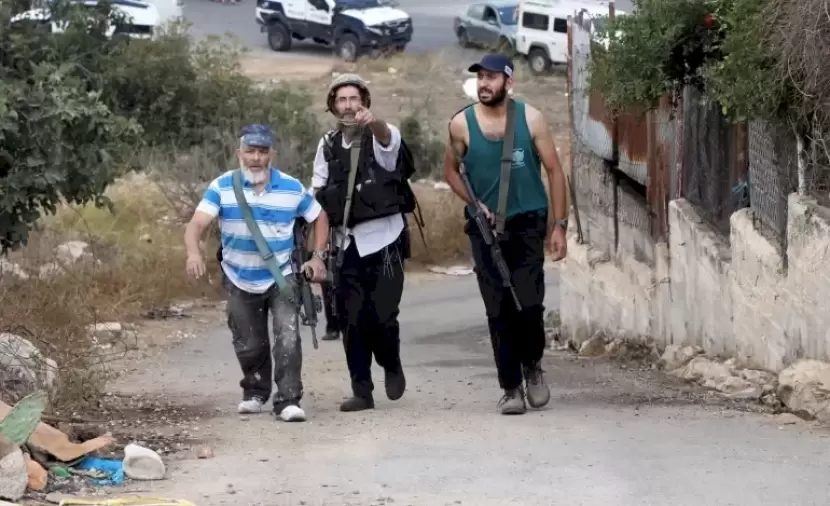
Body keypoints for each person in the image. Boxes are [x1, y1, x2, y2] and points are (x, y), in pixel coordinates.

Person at [442, 54, 568, 416]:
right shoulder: (461, 125)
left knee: (529, 305)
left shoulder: (531, 119)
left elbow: (555, 171)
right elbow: (450, 171)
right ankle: (510, 388)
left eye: (492, 77)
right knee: (498, 309)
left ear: (508, 82)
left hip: (527, 223)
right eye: (481, 77)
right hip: (485, 229)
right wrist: (474, 203)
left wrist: (559, 226)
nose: (484, 83)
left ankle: (533, 365)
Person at [184, 124, 330, 422]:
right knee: (248, 341)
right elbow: (196, 224)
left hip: (282, 275)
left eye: (262, 152)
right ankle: (254, 392)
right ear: (239, 153)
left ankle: (288, 399)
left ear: (271, 154)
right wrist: (193, 252)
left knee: (287, 336)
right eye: (250, 151)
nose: (256, 158)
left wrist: (317, 257)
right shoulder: (222, 186)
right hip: (238, 276)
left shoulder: (291, 187)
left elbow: (319, 216)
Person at [311, 74, 410, 412]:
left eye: (354, 98)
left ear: (364, 102)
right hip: (346, 244)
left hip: (386, 241)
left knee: (383, 316)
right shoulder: (327, 145)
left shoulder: (382, 134)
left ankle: (391, 363)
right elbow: (318, 195)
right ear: (333, 106)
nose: (349, 106)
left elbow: (388, 140)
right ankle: (361, 391)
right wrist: (317, 249)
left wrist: (374, 122)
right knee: (351, 321)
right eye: (342, 100)